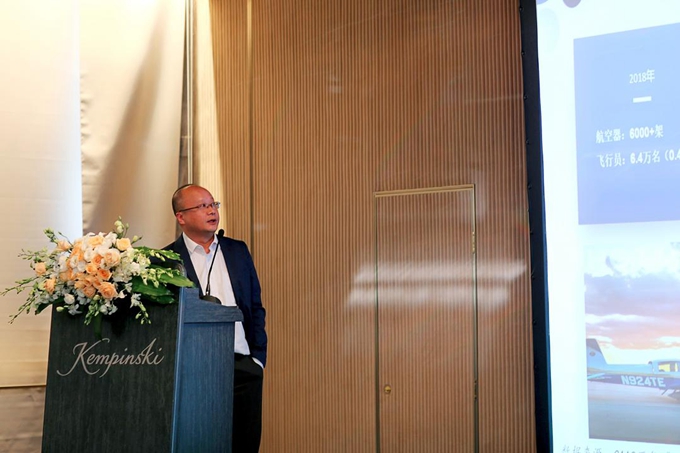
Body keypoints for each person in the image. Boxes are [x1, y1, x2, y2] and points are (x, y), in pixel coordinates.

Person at [166, 184, 267, 453]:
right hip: (194, 370)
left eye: (213, 204)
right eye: (202, 206)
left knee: (244, 443)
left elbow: (255, 307)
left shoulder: (237, 250)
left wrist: (258, 359)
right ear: (181, 217)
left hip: (242, 366)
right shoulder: (167, 261)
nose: (212, 211)